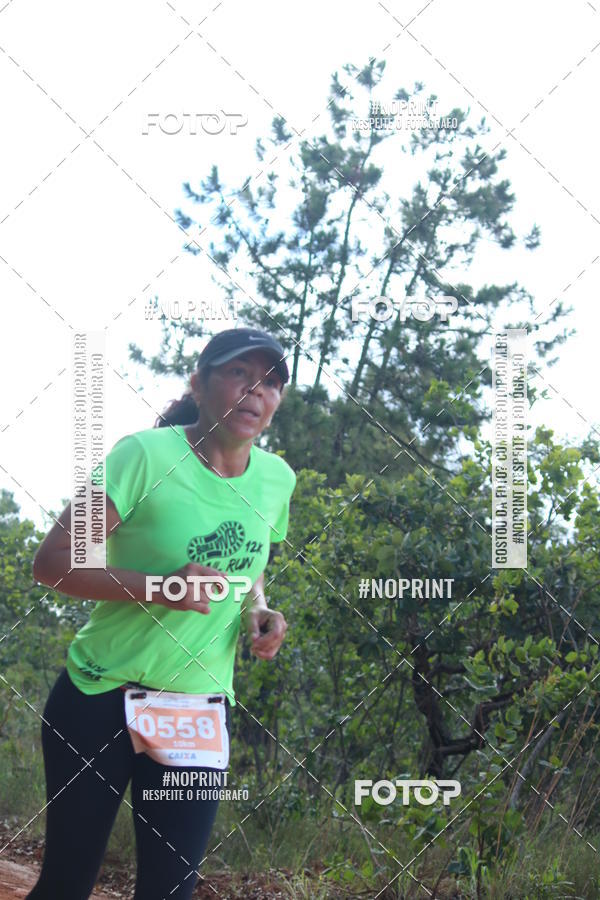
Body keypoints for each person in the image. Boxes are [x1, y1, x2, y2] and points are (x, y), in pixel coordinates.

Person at [27, 327, 297, 900]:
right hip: (101, 695)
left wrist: (259, 612)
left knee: (170, 891)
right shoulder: (146, 456)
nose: (257, 391)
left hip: (197, 708)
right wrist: (161, 586)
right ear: (198, 384)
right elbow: (52, 563)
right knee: (67, 884)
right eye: (239, 374)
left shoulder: (277, 480)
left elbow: (248, 568)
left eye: (272, 381)